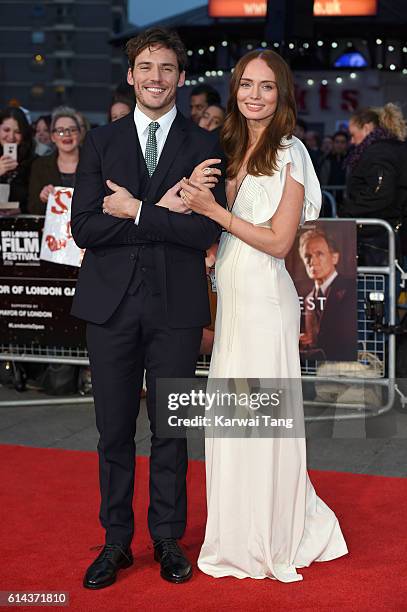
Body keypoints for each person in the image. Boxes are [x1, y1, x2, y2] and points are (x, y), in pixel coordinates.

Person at [178, 49, 348, 582]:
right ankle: (235, 529)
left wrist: (215, 213)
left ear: (283, 94)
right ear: (235, 90)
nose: (255, 94)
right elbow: (215, 228)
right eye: (246, 84)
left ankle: (272, 531)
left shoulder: (291, 151)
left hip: (265, 302)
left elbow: (278, 242)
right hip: (232, 299)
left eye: (266, 86)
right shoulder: (227, 146)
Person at [70, 27, 226, 589]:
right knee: (112, 431)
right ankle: (115, 541)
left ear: (181, 78)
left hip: (177, 309)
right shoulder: (100, 142)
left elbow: (205, 228)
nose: (156, 77)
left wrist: (136, 211)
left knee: (172, 430)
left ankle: (167, 537)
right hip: (109, 308)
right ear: (131, 75)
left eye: (166, 68)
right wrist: (161, 214)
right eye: (146, 67)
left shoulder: (205, 145)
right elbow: (84, 227)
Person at [339, 104, 407, 265]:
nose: (352, 141)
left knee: (377, 285)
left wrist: (347, 211)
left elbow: (379, 192)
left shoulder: (379, 152)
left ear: (367, 127)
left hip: (379, 235)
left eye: (353, 135)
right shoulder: (391, 147)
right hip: (388, 232)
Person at [298, 228, 357, 361]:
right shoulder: (308, 299)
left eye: (319, 254)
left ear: (334, 257)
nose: (312, 261)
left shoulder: (352, 288)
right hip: (317, 370)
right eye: (307, 256)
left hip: (346, 368)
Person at [28, 106, 81, 214]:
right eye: (60, 131)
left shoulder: (96, 163)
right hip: (52, 229)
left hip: (87, 228)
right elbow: (32, 207)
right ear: (53, 137)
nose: (67, 134)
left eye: (72, 130)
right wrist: (43, 198)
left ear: (80, 134)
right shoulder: (39, 165)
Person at [0, 106, 36, 213]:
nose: (11, 137)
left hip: (21, 225)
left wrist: (21, 210)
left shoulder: (33, 162)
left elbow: (37, 199)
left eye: (18, 132)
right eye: (6, 130)